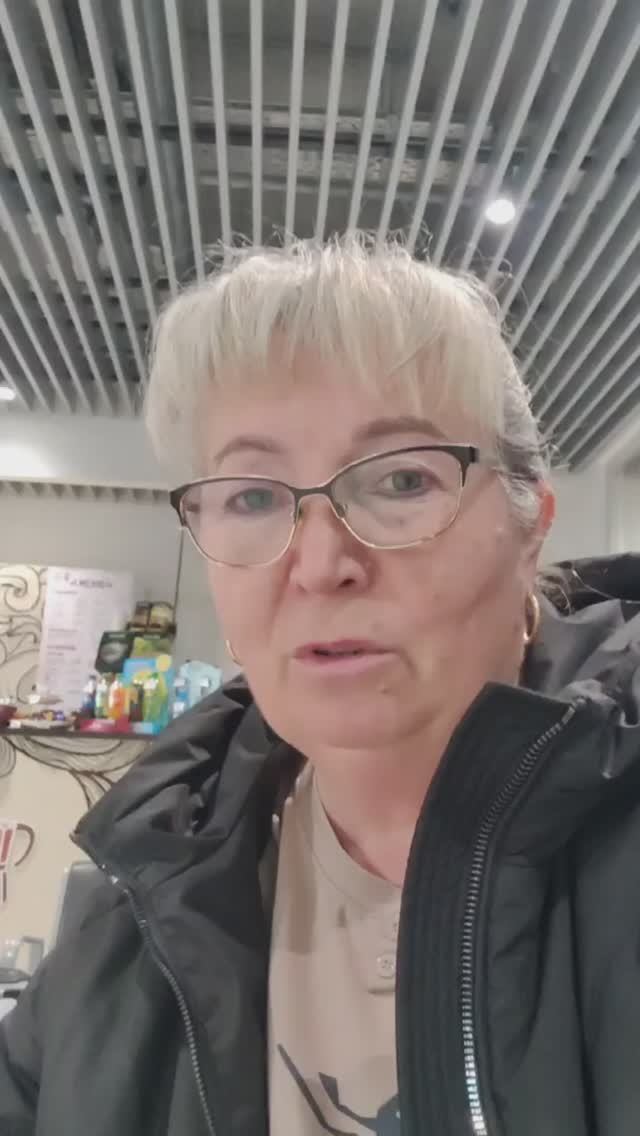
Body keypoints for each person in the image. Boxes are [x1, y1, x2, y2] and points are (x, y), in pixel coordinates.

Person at [1, 235, 639, 1136]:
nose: (320, 563)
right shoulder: (144, 900)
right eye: (254, 497)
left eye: (403, 480)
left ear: (530, 523)